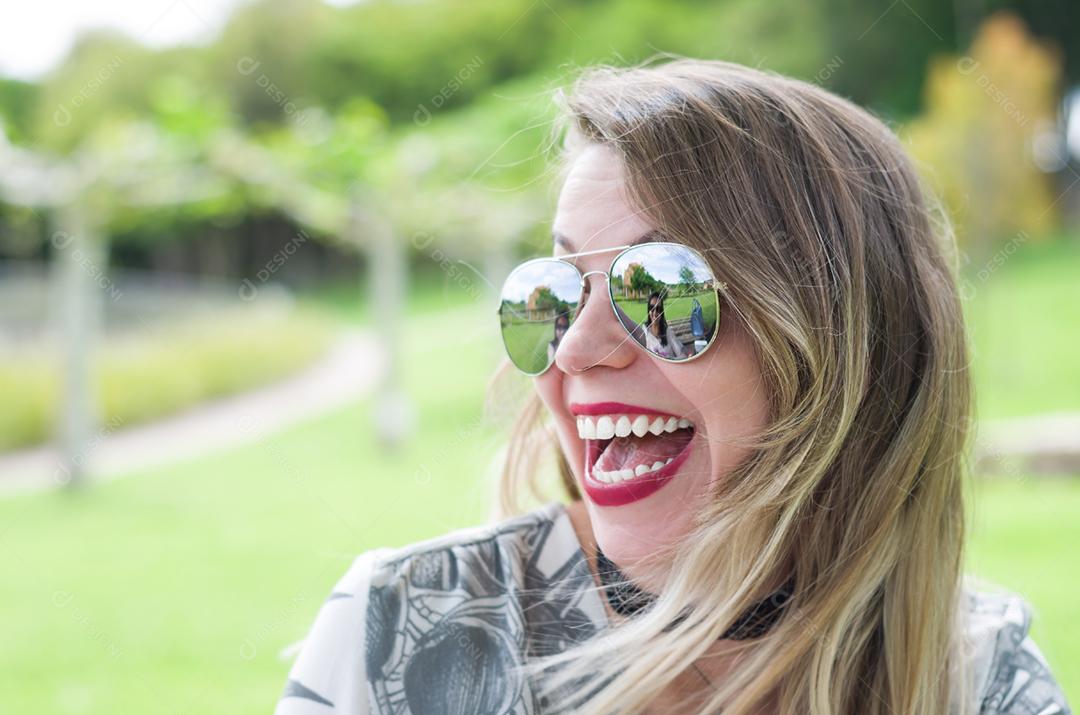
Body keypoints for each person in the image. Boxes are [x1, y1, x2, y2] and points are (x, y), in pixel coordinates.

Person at [275, 58, 1072, 715]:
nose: (577, 349)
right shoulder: (401, 629)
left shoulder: (981, 674)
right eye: (554, 292)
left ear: (844, 342)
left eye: (662, 285)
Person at [639, 291, 687, 359]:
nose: (655, 312)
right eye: (652, 308)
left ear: (662, 312)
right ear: (648, 310)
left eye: (658, 309)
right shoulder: (644, 331)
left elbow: (683, 356)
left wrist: (669, 359)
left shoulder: (668, 332)